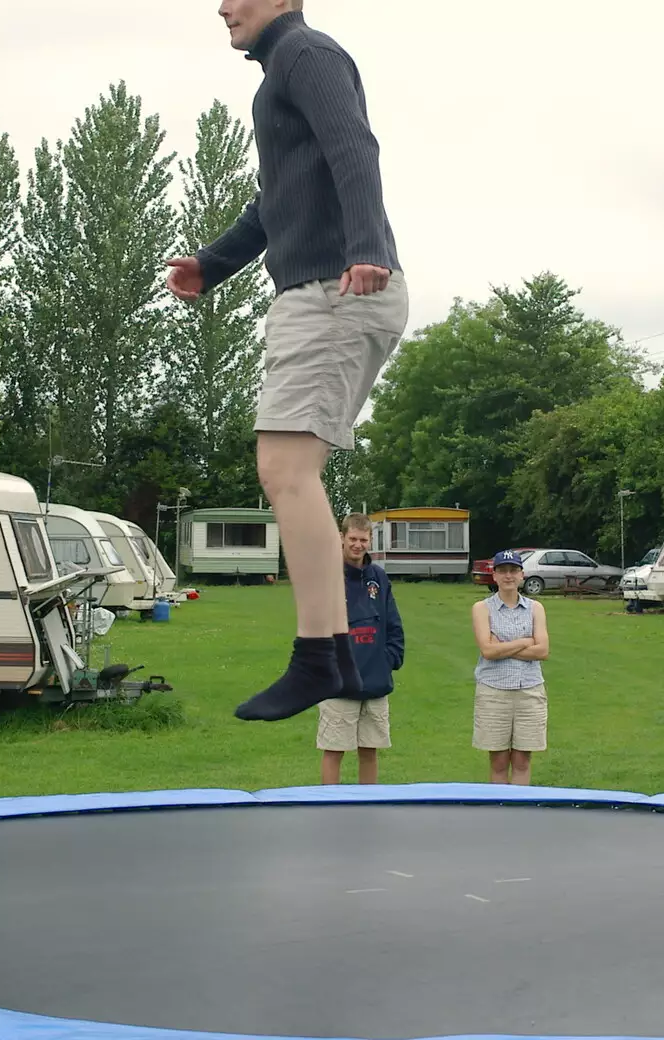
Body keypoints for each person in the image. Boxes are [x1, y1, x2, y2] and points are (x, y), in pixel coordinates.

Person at [165, 0, 408, 723]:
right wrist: (213, 263)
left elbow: (354, 149)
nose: (222, 6)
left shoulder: (308, 55)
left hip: (336, 288)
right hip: (317, 292)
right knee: (287, 470)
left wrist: (366, 244)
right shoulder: (278, 78)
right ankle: (326, 654)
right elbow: (276, 202)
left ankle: (316, 657)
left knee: (285, 469)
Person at [317, 514, 404, 784]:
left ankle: (368, 806)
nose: (357, 545)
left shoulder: (378, 576)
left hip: (375, 680)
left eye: (363, 540)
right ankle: (329, 807)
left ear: (370, 541)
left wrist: (389, 659)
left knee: (369, 750)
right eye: (352, 539)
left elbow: (393, 622)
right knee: (334, 750)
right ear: (342, 538)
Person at [470, 550, 550, 785]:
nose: (508, 576)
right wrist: (526, 641)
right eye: (502, 571)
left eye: (513, 570)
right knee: (499, 762)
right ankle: (500, 813)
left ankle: (519, 814)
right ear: (493, 575)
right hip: (494, 691)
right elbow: (488, 651)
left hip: (530, 691)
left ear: (521, 575)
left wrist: (503, 646)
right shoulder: (481, 609)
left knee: (523, 760)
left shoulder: (536, 608)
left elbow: (543, 651)